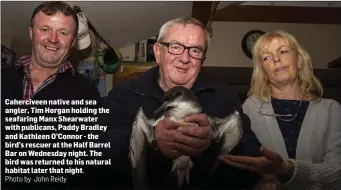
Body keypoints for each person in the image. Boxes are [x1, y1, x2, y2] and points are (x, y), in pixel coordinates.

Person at [96, 17, 262, 189]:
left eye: (196, 51)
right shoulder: (124, 93)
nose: (185, 58)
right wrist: (150, 141)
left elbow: (252, 159)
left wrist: (213, 143)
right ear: (158, 52)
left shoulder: (224, 97)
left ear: (203, 58)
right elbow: (98, 150)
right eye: (175, 47)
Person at [219, 30, 341, 190]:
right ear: (263, 73)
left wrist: (288, 169)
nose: (276, 59)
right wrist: (254, 178)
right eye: (266, 57)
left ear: (299, 61)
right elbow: (235, 161)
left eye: (283, 51)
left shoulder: (331, 109)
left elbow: (337, 172)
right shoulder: (250, 107)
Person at [1, 1, 101, 189]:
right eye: (45, 29)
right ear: (31, 33)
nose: (53, 39)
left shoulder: (86, 93)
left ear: (72, 42)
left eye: (63, 33)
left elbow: (89, 166)